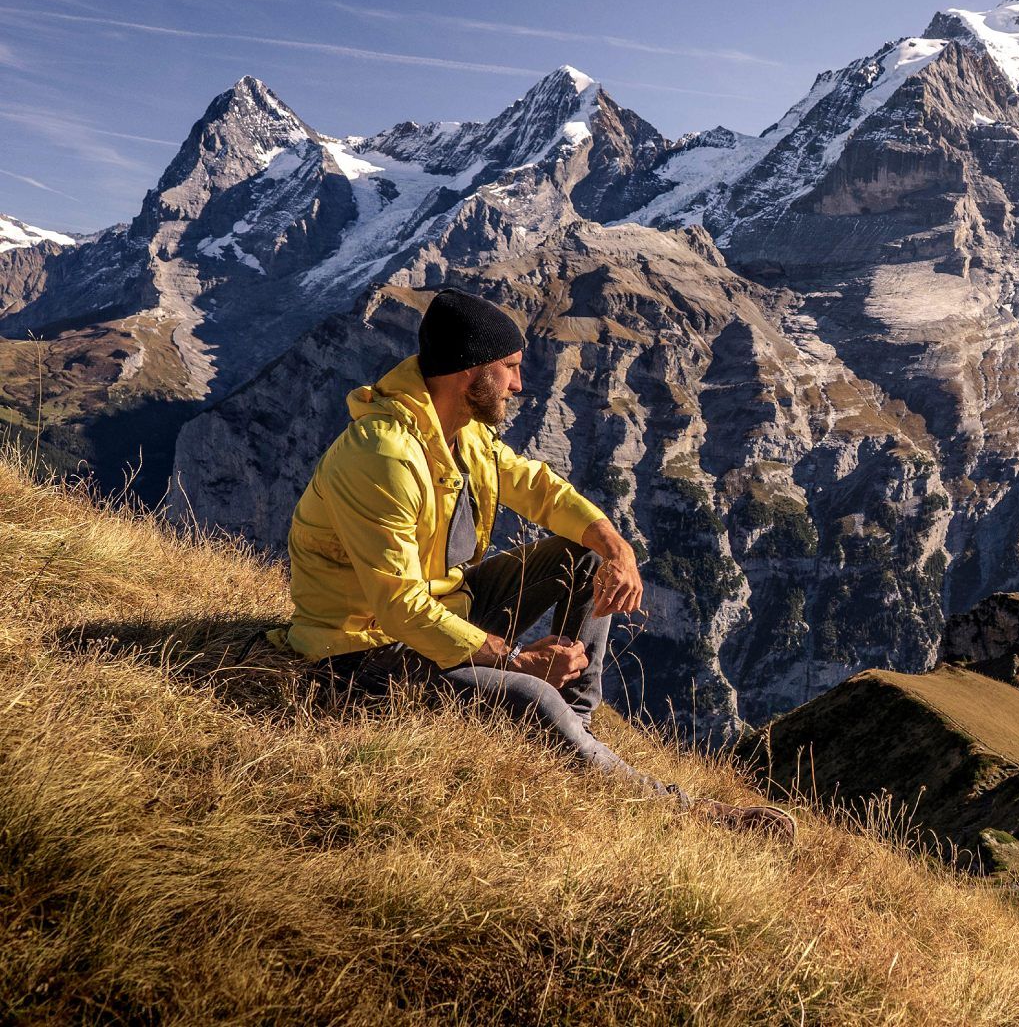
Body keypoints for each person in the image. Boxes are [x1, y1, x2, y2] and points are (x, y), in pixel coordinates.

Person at [276, 287, 793, 844]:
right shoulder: (383, 456)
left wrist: (614, 545)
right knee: (534, 696)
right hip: (361, 655)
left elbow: (534, 485)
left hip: (445, 610)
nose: (520, 385)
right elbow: (398, 607)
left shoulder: (457, 430)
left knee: (581, 555)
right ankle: (692, 815)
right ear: (470, 371)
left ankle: (576, 730)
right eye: (511, 368)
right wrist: (518, 659)